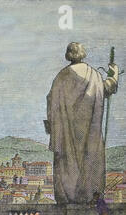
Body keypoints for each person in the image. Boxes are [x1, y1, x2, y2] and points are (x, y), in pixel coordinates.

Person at [47, 42, 119, 204]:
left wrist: (52, 126)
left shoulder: (60, 77)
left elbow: (50, 101)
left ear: (68, 55)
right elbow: (107, 88)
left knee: (68, 164)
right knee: (89, 160)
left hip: (66, 134)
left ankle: (68, 197)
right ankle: (89, 196)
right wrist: (114, 74)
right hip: (89, 132)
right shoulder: (93, 75)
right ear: (83, 53)